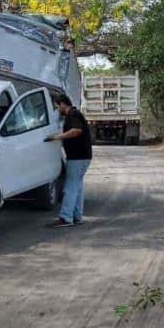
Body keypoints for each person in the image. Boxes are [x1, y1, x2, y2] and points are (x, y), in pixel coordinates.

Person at [45, 93, 91, 227]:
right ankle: (77, 216)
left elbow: (76, 130)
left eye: (57, 107)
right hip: (82, 156)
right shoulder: (73, 114)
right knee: (77, 187)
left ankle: (66, 218)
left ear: (63, 104)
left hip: (78, 157)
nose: (57, 110)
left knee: (70, 187)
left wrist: (58, 137)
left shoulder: (73, 114)